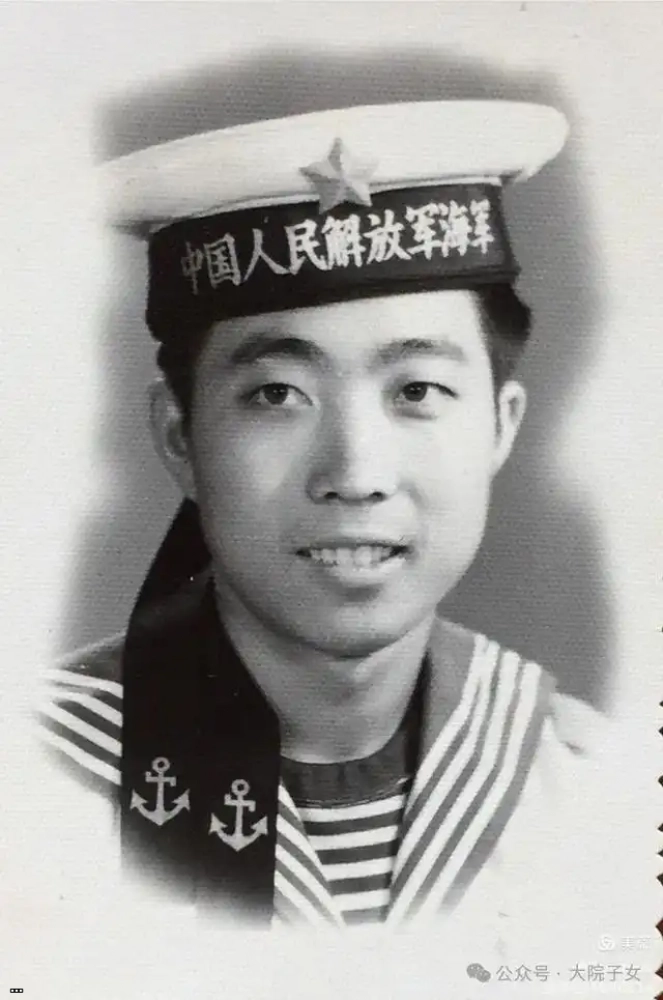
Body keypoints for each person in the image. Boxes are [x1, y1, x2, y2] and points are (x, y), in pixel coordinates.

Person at [39, 99, 609, 941]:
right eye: (277, 395)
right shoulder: (40, 790)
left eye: (417, 391)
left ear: (500, 426)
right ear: (180, 438)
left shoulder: (600, 793)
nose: (355, 475)